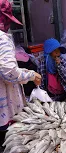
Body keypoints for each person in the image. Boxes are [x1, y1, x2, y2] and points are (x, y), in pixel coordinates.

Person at [0, 0, 41, 132]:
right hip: (4, 109)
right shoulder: (2, 38)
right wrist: (31, 75)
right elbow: (8, 72)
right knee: (9, 144)